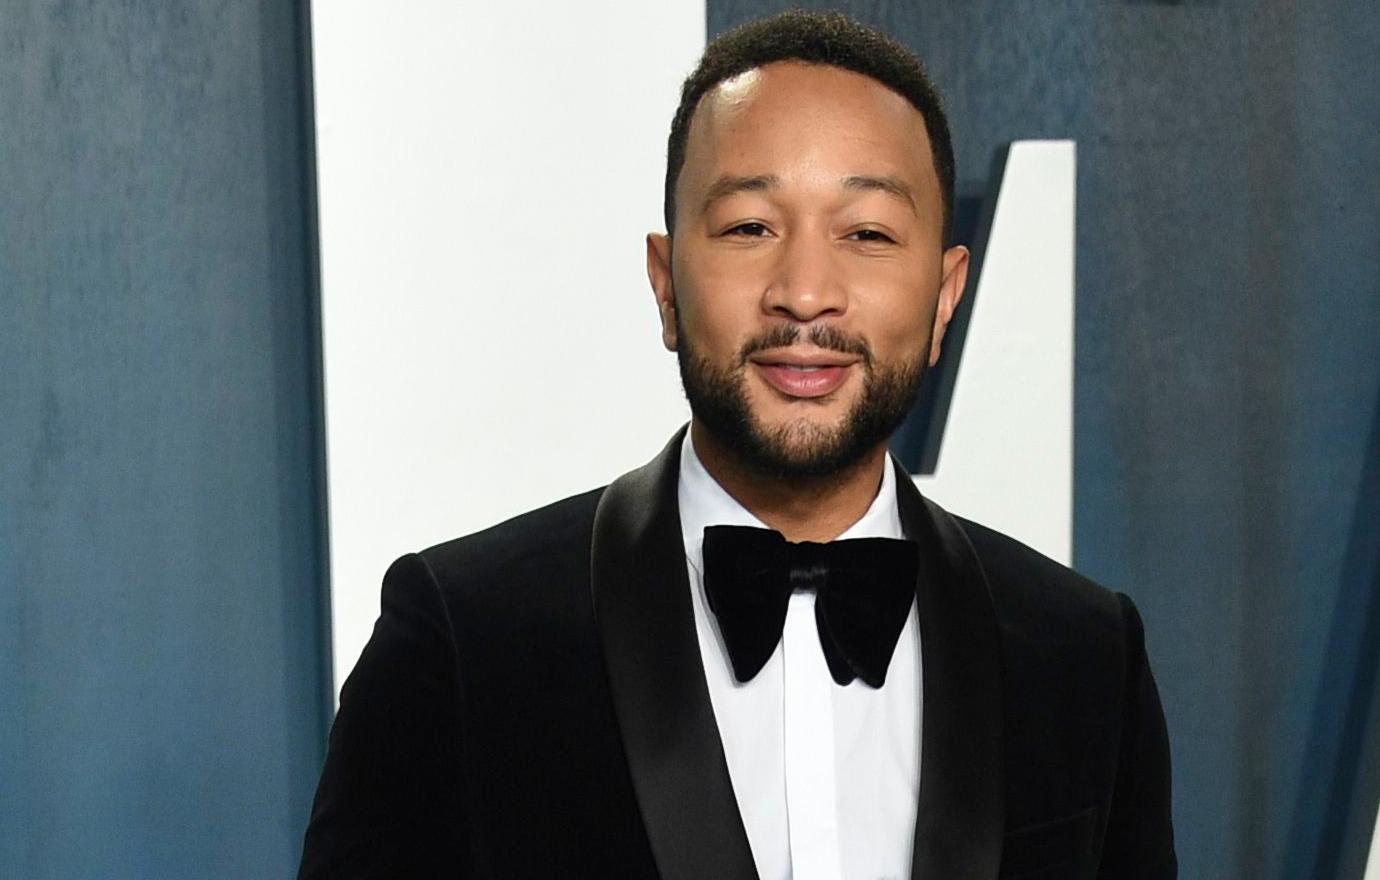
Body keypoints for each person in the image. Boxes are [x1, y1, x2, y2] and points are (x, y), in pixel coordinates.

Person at [298, 11, 1175, 879]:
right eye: (750, 227)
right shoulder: (462, 643)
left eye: (865, 233)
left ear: (945, 296)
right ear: (666, 282)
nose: (804, 293)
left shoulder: (1085, 658)